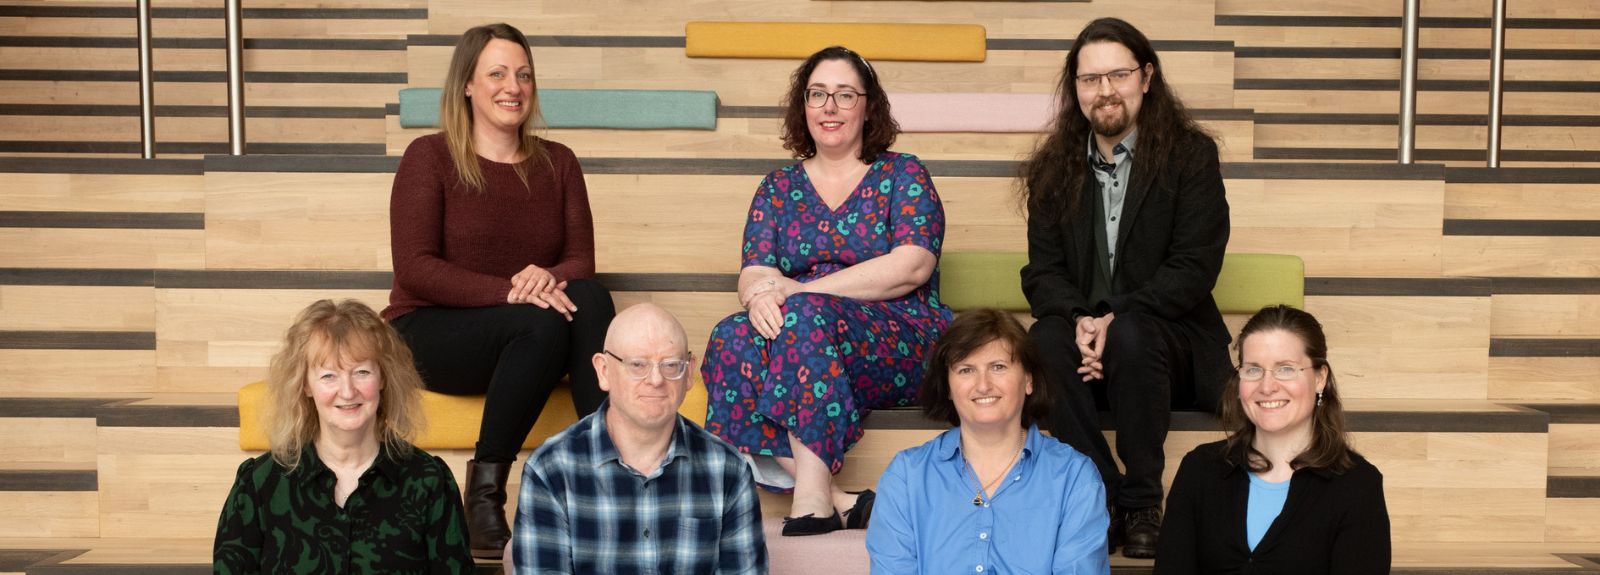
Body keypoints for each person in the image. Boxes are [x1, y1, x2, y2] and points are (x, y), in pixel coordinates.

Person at [383, 22, 616, 558]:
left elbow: (582, 260)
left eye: (524, 74)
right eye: (497, 73)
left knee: (591, 298)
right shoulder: (430, 156)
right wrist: (513, 290)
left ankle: (601, 470)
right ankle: (484, 494)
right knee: (541, 317)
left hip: (530, 334)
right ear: (467, 83)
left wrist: (546, 279)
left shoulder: (558, 162)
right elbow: (415, 268)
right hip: (429, 329)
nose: (513, 86)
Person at [700, 45, 953, 536]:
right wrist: (759, 296)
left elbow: (913, 266)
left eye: (844, 94)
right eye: (818, 94)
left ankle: (814, 499)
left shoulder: (903, 174)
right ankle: (838, 498)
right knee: (730, 336)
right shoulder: (777, 187)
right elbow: (754, 270)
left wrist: (798, 291)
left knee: (806, 313)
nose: (830, 107)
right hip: (806, 331)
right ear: (804, 106)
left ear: (868, 106)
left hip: (901, 336)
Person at [1018, 17, 1231, 558]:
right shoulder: (1052, 168)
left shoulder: (1190, 156)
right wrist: (1081, 321)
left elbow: (1193, 268)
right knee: (1043, 341)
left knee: (1133, 333)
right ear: (1076, 89)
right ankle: (1104, 496)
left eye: (1118, 75)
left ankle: (1142, 503)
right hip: (1083, 350)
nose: (1104, 91)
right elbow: (1043, 272)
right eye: (1090, 80)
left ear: (1147, 77)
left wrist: (1113, 316)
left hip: (1167, 348)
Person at [213, 299, 473, 574]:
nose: (347, 391)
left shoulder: (429, 481)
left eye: (361, 372)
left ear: (383, 378)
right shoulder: (259, 485)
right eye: (328, 376)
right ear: (305, 385)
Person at [511, 303, 766, 573]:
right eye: (637, 364)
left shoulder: (728, 469)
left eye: (670, 365)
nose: (656, 379)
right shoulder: (551, 469)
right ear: (604, 371)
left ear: (689, 373)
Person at [867, 309, 1110, 574]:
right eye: (966, 370)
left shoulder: (1074, 478)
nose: (983, 385)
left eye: (998, 367)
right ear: (948, 387)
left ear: (1028, 380)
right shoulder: (906, 476)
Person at [1155, 305, 1390, 573]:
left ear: (1320, 378)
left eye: (1286, 369)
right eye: (1253, 370)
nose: (1267, 387)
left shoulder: (1358, 485)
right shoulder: (1200, 468)